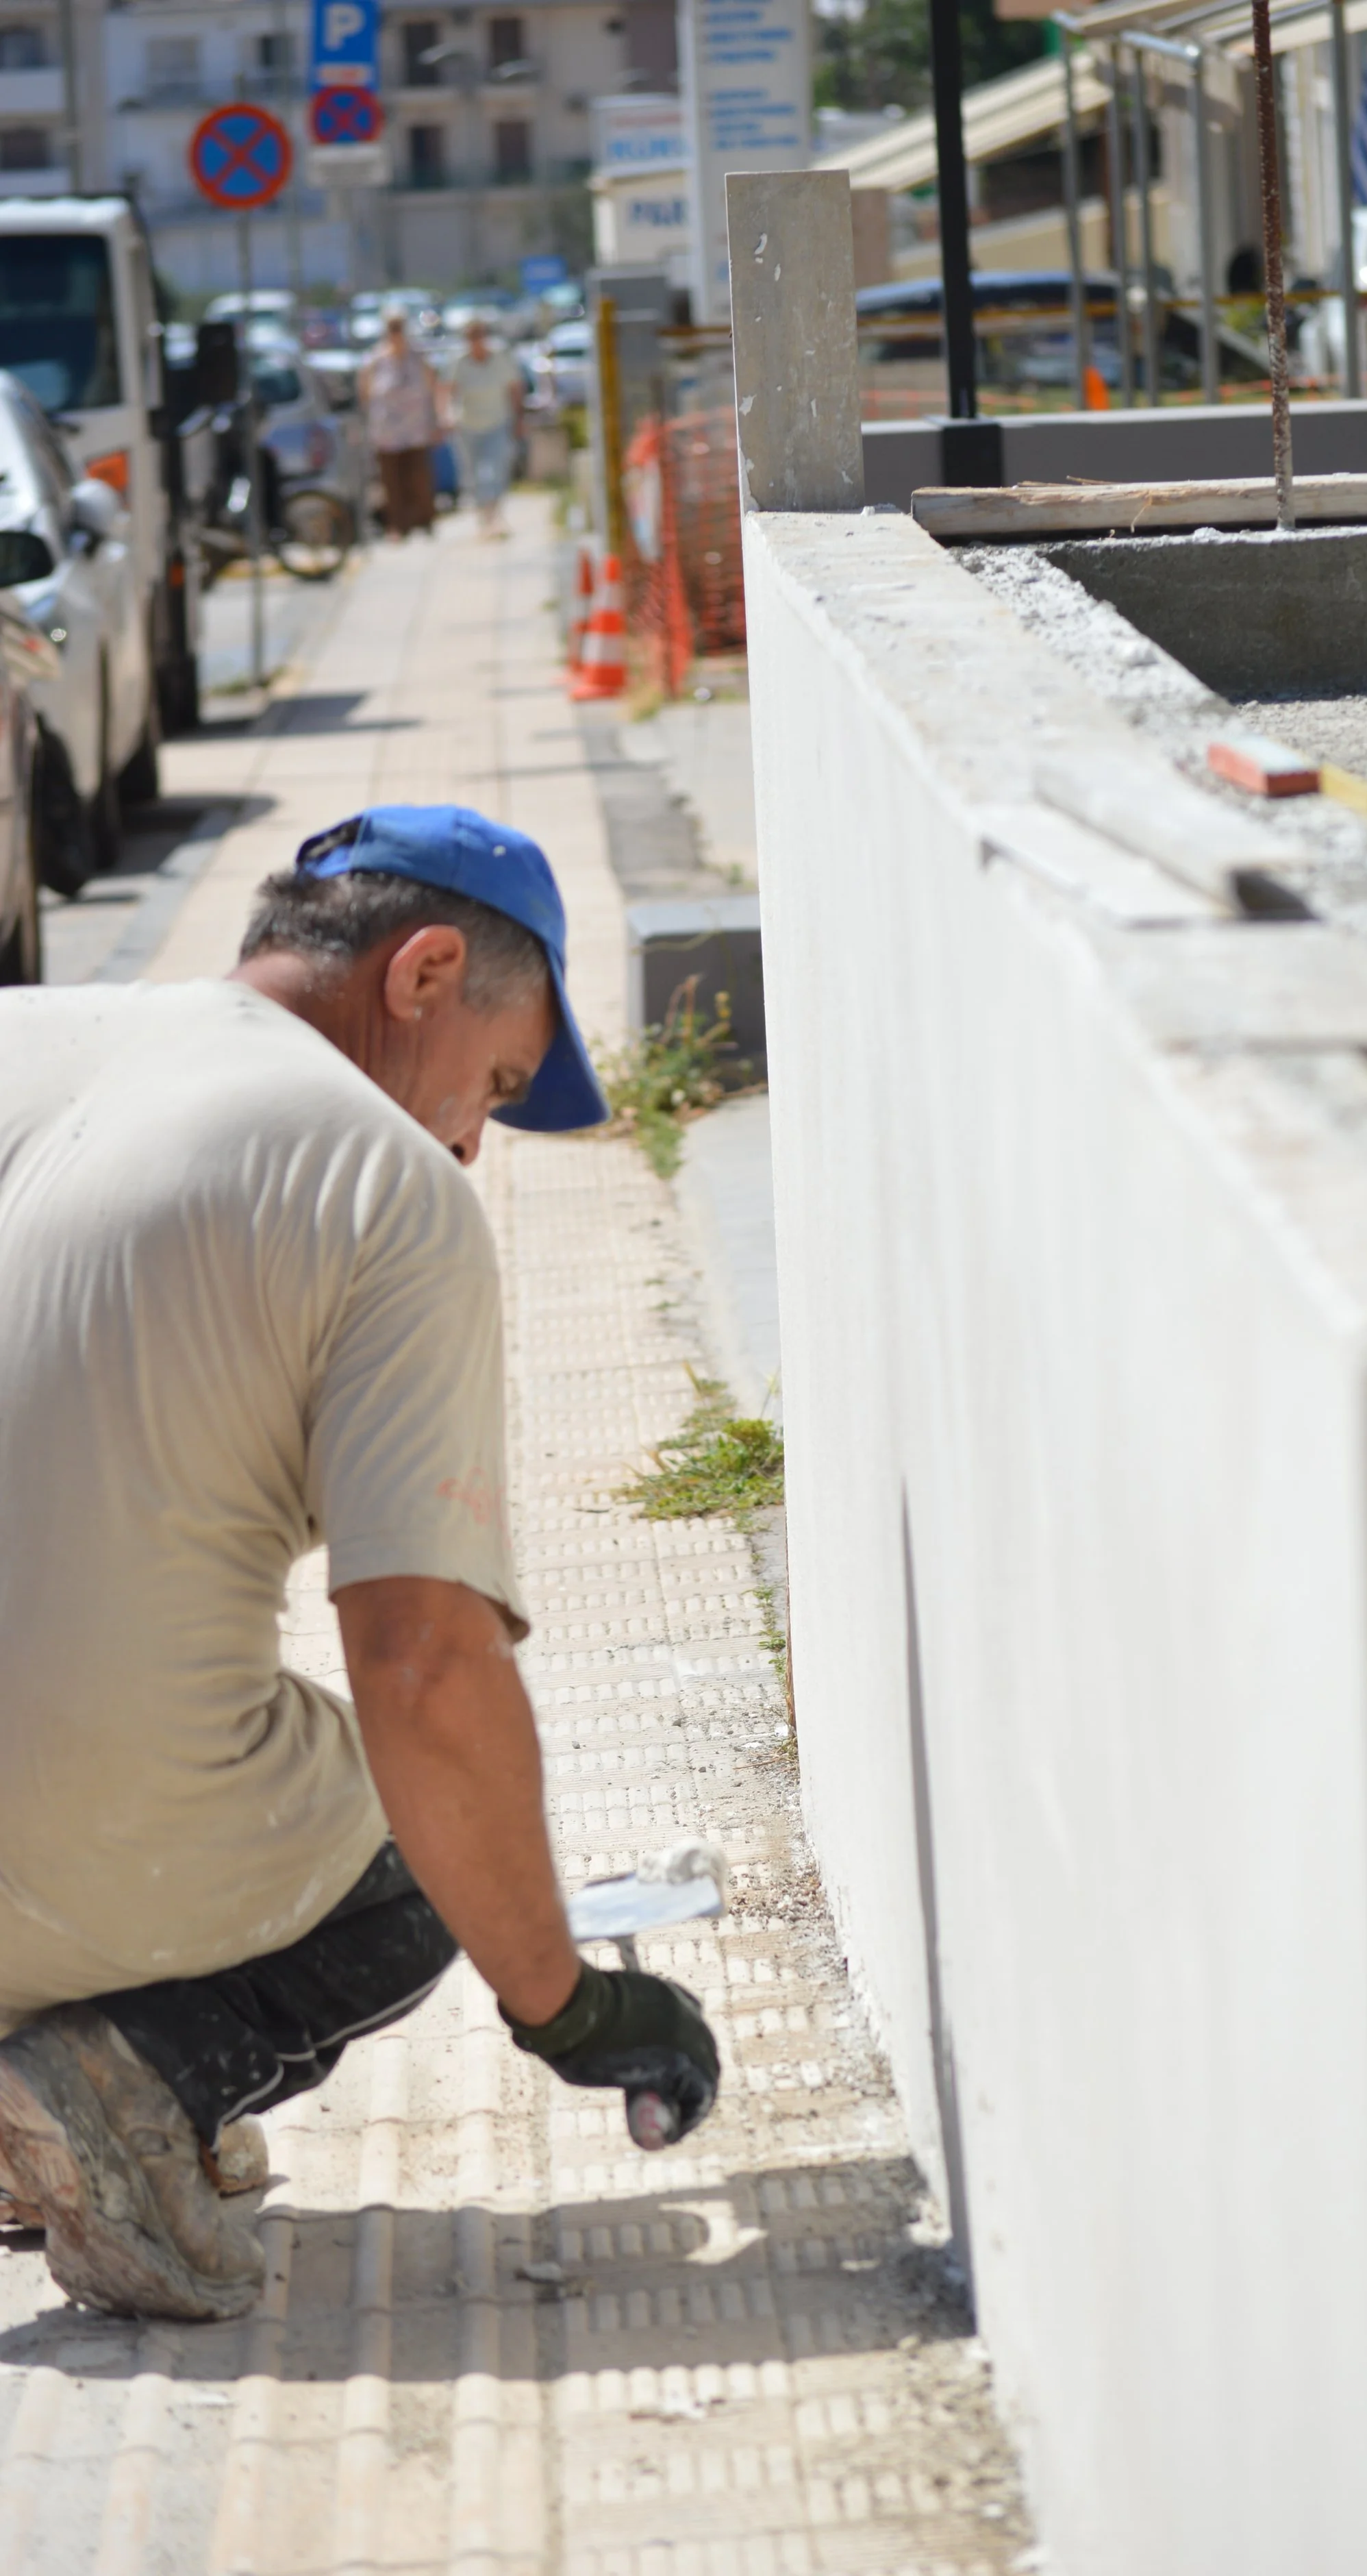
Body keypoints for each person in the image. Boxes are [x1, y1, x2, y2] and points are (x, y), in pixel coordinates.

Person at [0, 806, 720, 2323]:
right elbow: (422, 1665)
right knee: (421, 1859)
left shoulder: (27, 1035)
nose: (468, 1135)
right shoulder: (382, 1186)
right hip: (60, 1857)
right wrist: (566, 2000)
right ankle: (123, 2087)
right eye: (497, 1079)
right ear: (425, 970)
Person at [361, 308, 442, 539]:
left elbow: (433, 388)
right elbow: (365, 393)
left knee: (419, 477)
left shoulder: (418, 357)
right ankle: (396, 525)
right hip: (387, 431)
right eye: (391, 328)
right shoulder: (376, 359)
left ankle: (424, 521)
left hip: (416, 429)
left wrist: (436, 421)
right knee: (391, 481)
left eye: (399, 328)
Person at [451, 313, 524, 538]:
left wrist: (519, 418)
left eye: (479, 335)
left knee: (495, 471)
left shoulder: (501, 358)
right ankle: (484, 517)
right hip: (469, 426)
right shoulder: (459, 362)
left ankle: (496, 515)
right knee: (473, 475)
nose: (476, 341)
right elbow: (448, 389)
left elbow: (514, 388)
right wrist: (447, 416)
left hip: (497, 422)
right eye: (471, 337)